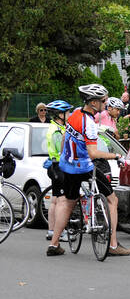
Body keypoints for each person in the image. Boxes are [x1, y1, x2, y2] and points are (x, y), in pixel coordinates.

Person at [47, 84, 130, 256]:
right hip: (84, 166)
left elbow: (64, 138)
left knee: (67, 203)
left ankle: (54, 245)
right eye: (103, 101)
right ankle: (113, 245)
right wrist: (116, 156)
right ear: (93, 103)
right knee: (112, 200)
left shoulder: (75, 114)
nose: (106, 104)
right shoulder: (90, 124)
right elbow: (93, 154)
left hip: (67, 166)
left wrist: (65, 156)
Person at [42, 100, 72, 241]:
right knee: (62, 202)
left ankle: (51, 230)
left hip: (54, 166)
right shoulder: (58, 131)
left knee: (55, 200)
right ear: (60, 114)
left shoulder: (54, 127)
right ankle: (60, 233)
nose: (69, 114)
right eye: (67, 112)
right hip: (59, 167)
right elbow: (62, 150)